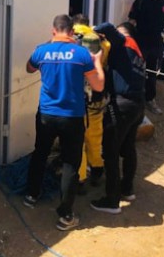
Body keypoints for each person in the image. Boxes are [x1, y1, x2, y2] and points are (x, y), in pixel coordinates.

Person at [23, 14, 104, 231]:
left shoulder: (41, 50)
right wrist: (97, 61)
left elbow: (29, 68)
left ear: (53, 31)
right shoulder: (82, 54)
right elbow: (98, 86)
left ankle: (31, 195)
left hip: (46, 114)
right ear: (72, 32)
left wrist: (47, 50)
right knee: (70, 163)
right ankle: (65, 214)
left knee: (40, 152)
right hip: (72, 117)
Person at [90, 22, 145, 214]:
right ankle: (127, 189)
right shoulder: (137, 52)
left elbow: (106, 27)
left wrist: (87, 30)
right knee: (128, 148)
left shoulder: (125, 41)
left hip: (121, 105)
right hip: (138, 104)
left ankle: (112, 201)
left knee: (110, 151)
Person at [71, 14, 109, 189]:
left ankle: (80, 179)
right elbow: (107, 50)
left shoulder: (70, 39)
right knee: (94, 135)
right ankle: (97, 169)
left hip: (77, 96)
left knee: (77, 139)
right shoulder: (99, 40)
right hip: (96, 95)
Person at [128, 0, 164, 115]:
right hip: (141, 42)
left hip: (157, 43)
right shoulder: (140, 2)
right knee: (137, 70)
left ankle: (150, 99)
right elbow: (131, 21)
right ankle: (135, 99)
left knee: (152, 72)